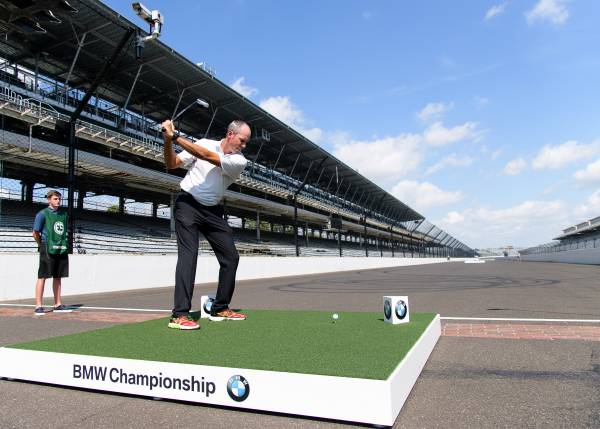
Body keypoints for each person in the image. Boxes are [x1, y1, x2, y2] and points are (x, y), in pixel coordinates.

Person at [161, 118, 251, 330]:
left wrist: (175, 136)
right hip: (188, 204)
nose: (244, 145)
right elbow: (171, 163)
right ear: (230, 134)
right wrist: (167, 141)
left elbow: (207, 156)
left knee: (231, 257)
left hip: (212, 211)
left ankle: (220, 308)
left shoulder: (239, 161)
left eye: (246, 142)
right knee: (188, 256)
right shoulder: (204, 142)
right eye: (242, 140)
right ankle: (179, 314)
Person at [32, 190, 72, 315]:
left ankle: (57, 304)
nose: (58, 201)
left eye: (59, 199)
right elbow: (35, 233)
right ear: (49, 200)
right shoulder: (42, 214)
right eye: (55, 199)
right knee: (42, 276)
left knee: (58, 276)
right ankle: (38, 306)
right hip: (47, 247)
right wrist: (41, 244)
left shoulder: (63, 215)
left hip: (60, 248)